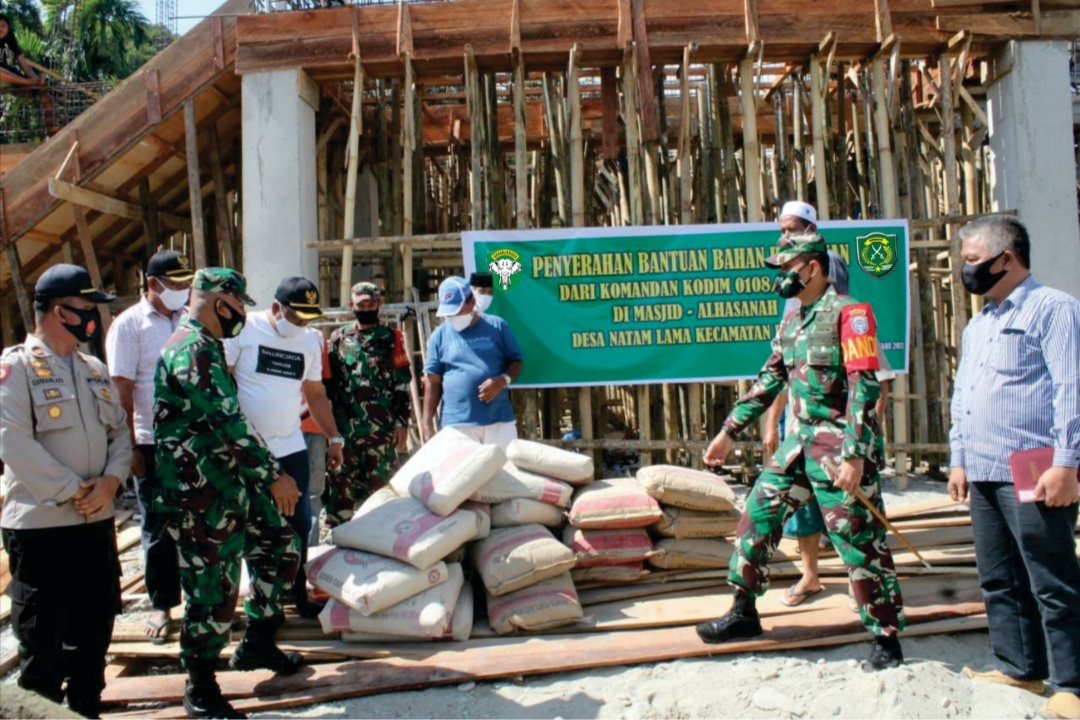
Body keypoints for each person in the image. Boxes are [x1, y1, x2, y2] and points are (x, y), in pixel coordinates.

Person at [697, 232, 906, 670]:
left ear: (812, 268)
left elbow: (864, 387)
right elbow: (768, 380)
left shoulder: (852, 314)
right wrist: (729, 432)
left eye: (788, 269)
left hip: (839, 446)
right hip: (799, 443)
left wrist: (854, 455)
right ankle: (744, 612)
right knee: (756, 514)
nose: (782, 278)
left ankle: (886, 638)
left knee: (858, 540)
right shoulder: (792, 323)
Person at [153, 268, 304, 720]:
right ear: (220, 301)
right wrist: (274, 474)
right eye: (239, 304)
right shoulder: (190, 348)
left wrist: (262, 477)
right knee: (211, 588)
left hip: (230, 481)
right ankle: (200, 685)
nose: (243, 313)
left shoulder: (210, 348)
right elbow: (226, 421)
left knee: (280, 545)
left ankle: (257, 642)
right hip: (198, 490)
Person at [947, 216, 1080, 718]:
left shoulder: (1054, 310)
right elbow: (963, 396)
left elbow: (1072, 389)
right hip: (982, 468)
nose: (967, 270)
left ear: (1008, 258)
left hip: (1035, 466)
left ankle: (1072, 682)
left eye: (974, 260)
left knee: (1051, 576)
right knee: (999, 577)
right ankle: (1020, 666)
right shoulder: (979, 324)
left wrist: (1067, 463)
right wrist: (959, 458)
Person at [0, 264, 132, 718]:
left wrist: (112, 482)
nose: (95, 317)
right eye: (87, 308)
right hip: (42, 530)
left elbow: (121, 434)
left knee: (95, 631)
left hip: (94, 525)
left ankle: (86, 708)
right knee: (43, 643)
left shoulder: (93, 369)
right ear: (60, 311)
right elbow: (11, 440)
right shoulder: (15, 367)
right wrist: (75, 491)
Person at [223, 276, 343, 617]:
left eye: (308, 318)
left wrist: (334, 437)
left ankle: (295, 592)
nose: (302, 324)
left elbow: (316, 394)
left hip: (291, 447)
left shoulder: (308, 342)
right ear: (276, 308)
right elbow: (224, 380)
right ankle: (249, 599)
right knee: (246, 525)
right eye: (296, 317)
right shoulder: (244, 331)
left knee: (299, 525)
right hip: (247, 452)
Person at [105, 249, 193, 643]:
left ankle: (197, 599)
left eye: (186, 283)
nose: (183, 290)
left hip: (192, 441)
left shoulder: (189, 318)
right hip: (151, 442)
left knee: (197, 523)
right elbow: (120, 390)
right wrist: (130, 449)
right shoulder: (129, 326)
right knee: (157, 527)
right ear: (153, 284)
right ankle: (162, 605)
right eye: (176, 284)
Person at [322, 281, 411, 527]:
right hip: (345, 430)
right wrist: (330, 431)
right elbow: (329, 384)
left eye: (371, 304)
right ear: (351, 306)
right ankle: (339, 540)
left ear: (379, 305)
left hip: (381, 430)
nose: (367, 308)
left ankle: (382, 537)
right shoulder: (339, 338)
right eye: (361, 304)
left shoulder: (392, 337)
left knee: (382, 491)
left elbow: (402, 384)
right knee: (340, 488)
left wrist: (402, 422)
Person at [422, 276, 524, 450]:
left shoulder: (497, 326)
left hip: (498, 422)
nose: (452, 316)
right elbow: (433, 381)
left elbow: (516, 362)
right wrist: (426, 423)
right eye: (449, 312)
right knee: (461, 475)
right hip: (456, 426)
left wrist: (502, 380)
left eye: (456, 310)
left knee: (505, 474)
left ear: (471, 302)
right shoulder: (438, 336)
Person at [0, 14, 43, 87]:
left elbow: (25, 66)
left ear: (8, 29)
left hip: (11, 77)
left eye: (3, 26)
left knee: (44, 95)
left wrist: (35, 79)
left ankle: (33, 84)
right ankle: (27, 82)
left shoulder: (12, 43)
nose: (0, 29)